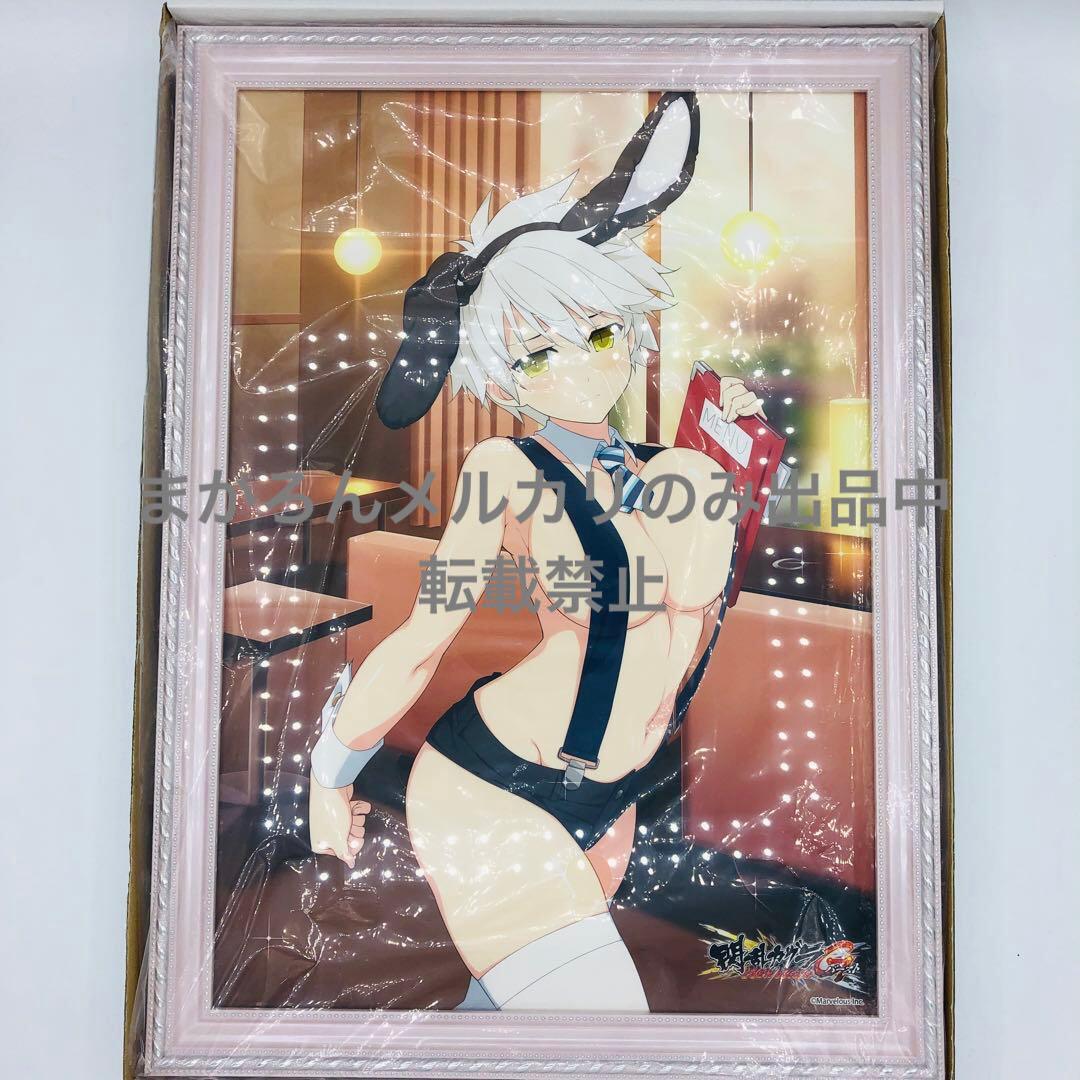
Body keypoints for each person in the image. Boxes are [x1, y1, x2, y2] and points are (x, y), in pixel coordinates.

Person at [307, 92, 765, 1011]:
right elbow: (425, 636)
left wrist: (730, 452)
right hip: (493, 785)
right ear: (502, 376)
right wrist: (331, 772)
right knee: (602, 1026)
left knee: (518, 1022)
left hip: (613, 791)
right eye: (537, 356)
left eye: (598, 332)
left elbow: (689, 626)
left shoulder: (677, 470)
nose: (582, 365)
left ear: (630, 327)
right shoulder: (504, 469)